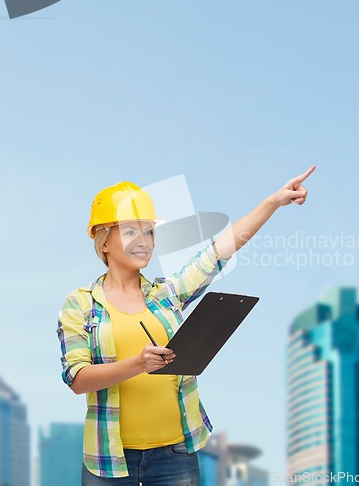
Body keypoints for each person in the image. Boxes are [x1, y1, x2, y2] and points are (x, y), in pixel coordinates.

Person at [57, 166, 315, 486]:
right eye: (131, 231)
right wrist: (138, 363)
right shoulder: (80, 304)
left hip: (175, 457)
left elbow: (220, 250)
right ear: (104, 240)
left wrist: (274, 202)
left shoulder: (168, 294)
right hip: (110, 462)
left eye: (149, 231)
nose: (144, 241)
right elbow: (78, 379)